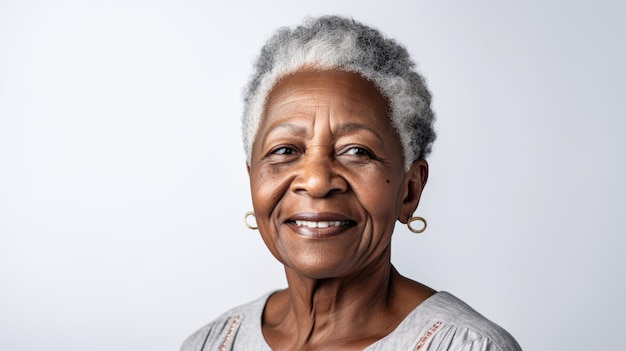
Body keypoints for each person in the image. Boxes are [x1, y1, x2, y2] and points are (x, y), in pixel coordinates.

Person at [181, 15, 521, 351]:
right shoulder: (210, 344)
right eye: (285, 150)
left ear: (410, 190)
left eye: (357, 151)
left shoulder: (468, 346)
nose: (316, 182)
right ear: (253, 179)